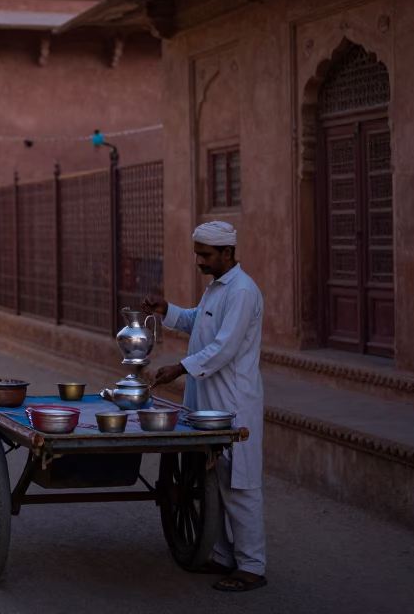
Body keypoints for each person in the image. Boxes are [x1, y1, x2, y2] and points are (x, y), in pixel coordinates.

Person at [142, 220, 267, 593]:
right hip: (208, 400)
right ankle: (224, 556)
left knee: (239, 485)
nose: (200, 261)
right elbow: (199, 321)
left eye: (206, 255)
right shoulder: (217, 288)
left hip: (233, 402)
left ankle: (252, 567)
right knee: (215, 482)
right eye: (198, 254)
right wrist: (168, 310)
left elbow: (225, 347)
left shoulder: (242, 292)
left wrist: (179, 367)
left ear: (228, 253)